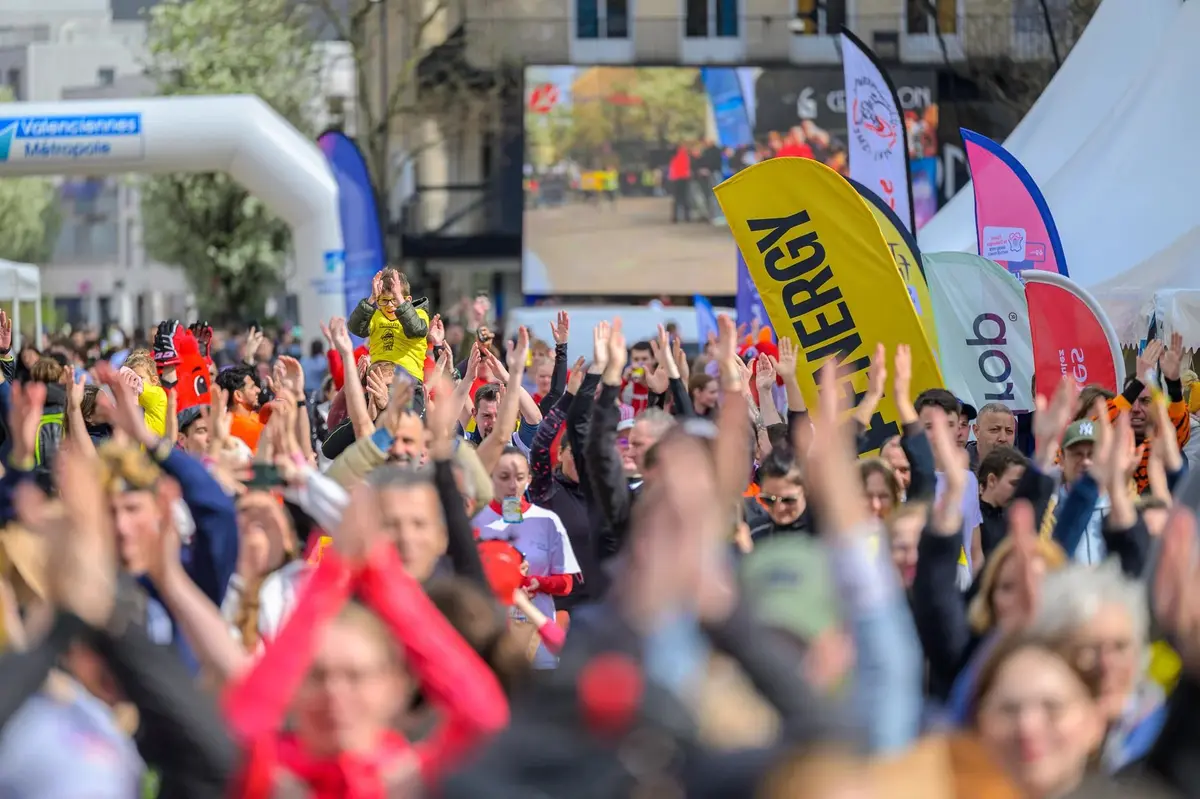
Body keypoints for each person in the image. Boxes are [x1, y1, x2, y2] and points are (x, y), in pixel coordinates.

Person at [348, 268, 431, 399]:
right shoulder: (375, 316)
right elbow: (355, 328)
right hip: (378, 380)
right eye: (384, 300)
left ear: (408, 300)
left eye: (395, 299)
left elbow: (416, 330)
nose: (390, 305)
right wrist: (371, 299)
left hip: (409, 381)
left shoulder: (419, 314)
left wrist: (400, 301)